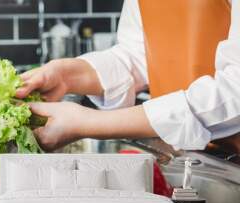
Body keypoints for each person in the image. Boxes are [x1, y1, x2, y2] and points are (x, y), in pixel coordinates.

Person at [16, 0, 240, 152]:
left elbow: (235, 91)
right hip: (190, 158)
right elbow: (138, 55)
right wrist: (66, 75)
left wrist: (88, 123)